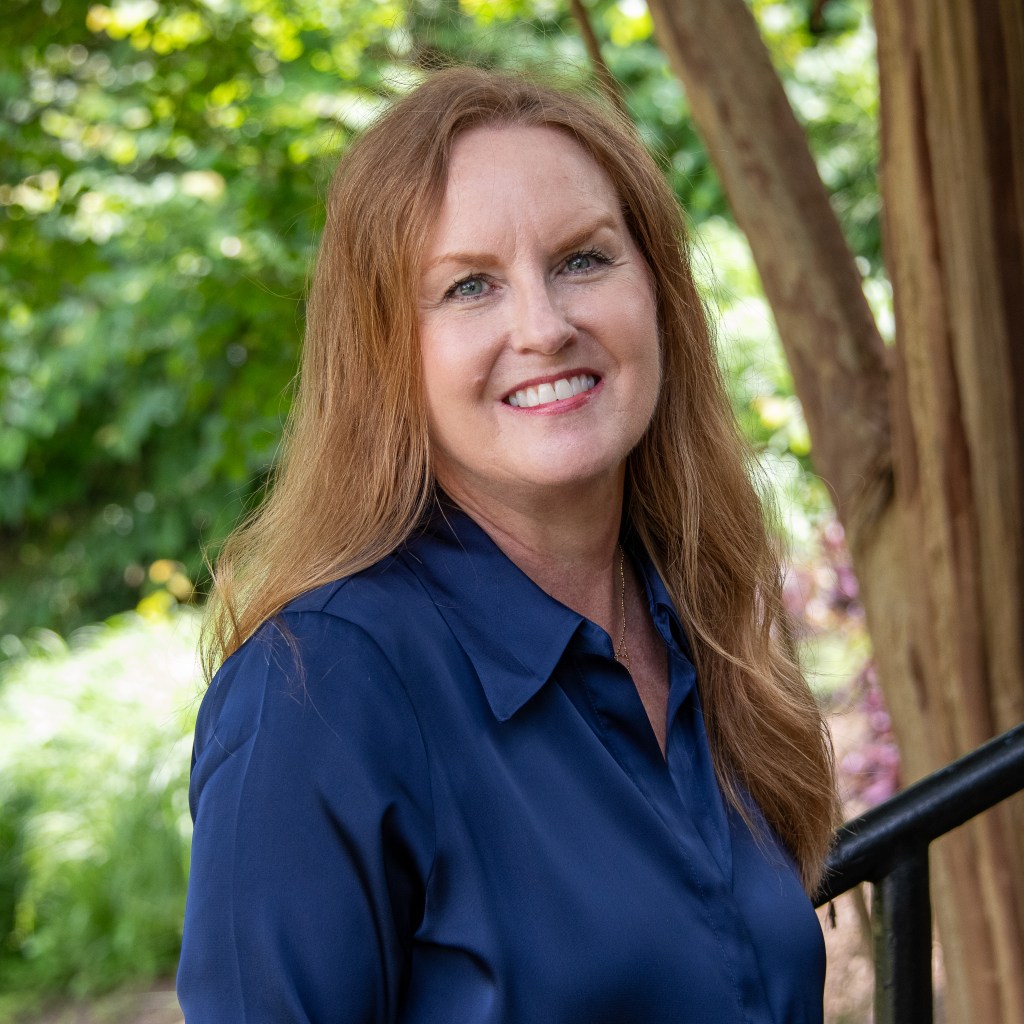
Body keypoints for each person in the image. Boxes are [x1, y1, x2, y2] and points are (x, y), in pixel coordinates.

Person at [177, 66, 840, 1023]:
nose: (544, 326)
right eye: (470, 285)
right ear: (385, 350)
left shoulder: (698, 623)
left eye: (582, 260)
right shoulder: (319, 690)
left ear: (657, 291)